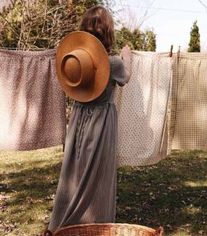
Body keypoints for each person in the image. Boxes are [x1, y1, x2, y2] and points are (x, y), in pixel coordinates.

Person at [46, 5, 131, 233]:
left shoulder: (74, 60)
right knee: (98, 175)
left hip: (78, 119)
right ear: (108, 32)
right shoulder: (113, 64)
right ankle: (96, 224)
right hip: (101, 122)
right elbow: (126, 77)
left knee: (74, 171)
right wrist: (127, 55)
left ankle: (68, 222)